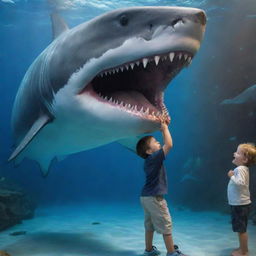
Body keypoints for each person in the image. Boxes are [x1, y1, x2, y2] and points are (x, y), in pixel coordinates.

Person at [136, 121, 187, 256]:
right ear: (149, 151)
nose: (158, 142)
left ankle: (149, 250)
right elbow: (169, 145)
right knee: (166, 224)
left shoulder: (149, 160)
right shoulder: (154, 158)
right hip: (154, 198)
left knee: (149, 225)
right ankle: (171, 252)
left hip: (145, 197)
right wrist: (164, 129)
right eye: (155, 142)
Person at [227, 143, 256, 256]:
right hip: (240, 204)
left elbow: (241, 183)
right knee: (240, 229)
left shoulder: (240, 169)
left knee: (241, 230)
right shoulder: (242, 168)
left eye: (238, 153)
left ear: (245, 159)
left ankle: (244, 252)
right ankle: (242, 248)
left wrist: (231, 176)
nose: (234, 153)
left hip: (240, 205)